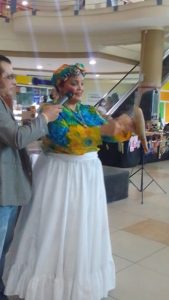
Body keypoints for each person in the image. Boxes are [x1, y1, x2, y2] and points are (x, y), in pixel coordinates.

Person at [3, 63, 147, 300]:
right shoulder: (50, 110)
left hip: (87, 175)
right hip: (60, 175)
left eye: (81, 83)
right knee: (53, 226)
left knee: (83, 226)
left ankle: (80, 282)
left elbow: (112, 129)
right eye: (73, 83)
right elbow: (66, 137)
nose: (79, 88)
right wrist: (106, 130)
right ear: (59, 86)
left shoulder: (90, 111)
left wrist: (126, 128)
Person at [0, 54, 62, 300]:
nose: (14, 80)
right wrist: (44, 118)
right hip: (3, 191)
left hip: (10, 187)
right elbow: (16, 138)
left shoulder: (4, 102)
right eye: (9, 75)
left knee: (5, 246)